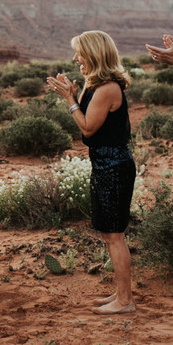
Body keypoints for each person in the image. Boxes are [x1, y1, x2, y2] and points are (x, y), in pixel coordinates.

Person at [46, 30, 136, 315]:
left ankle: (125, 301)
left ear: (95, 54)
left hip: (114, 167)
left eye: (80, 53)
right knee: (110, 234)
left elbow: (87, 128)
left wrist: (69, 101)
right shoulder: (93, 84)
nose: (76, 59)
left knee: (114, 235)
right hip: (104, 165)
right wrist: (74, 94)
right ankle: (121, 293)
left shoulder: (108, 88)